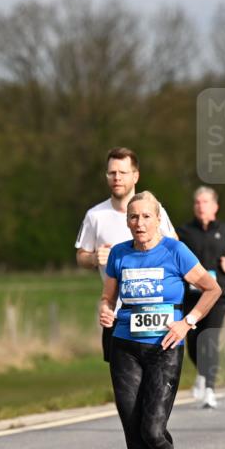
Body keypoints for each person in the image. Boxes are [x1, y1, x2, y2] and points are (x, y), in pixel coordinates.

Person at [99, 191, 221, 449]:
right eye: (133, 217)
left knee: (152, 429)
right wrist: (106, 310)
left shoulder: (175, 251)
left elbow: (212, 289)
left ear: (157, 220)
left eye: (146, 217)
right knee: (131, 424)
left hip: (164, 348)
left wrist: (187, 323)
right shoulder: (119, 254)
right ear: (127, 221)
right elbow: (108, 298)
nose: (139, 223)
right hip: (125, 346)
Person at [75, 147, 176, 363]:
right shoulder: (95, 215)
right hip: (116, 313)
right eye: (112, 173)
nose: (117, 178)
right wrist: (94, 258)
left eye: (122, 172)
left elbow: (175, 249)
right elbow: (81, 255)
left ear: (135, 176)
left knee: (155, 379)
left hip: (155, 312)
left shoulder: (155, 211)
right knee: (123, 382)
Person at [177, 186, 225, 409]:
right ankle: (202, 374)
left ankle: (209, 389)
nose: (201, 206)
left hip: (218, 296)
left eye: (205, 202)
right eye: (198, 202)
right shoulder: (184, 233)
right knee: (193, 341)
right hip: (191, 296)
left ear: (215, 206)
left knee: (209, 338)